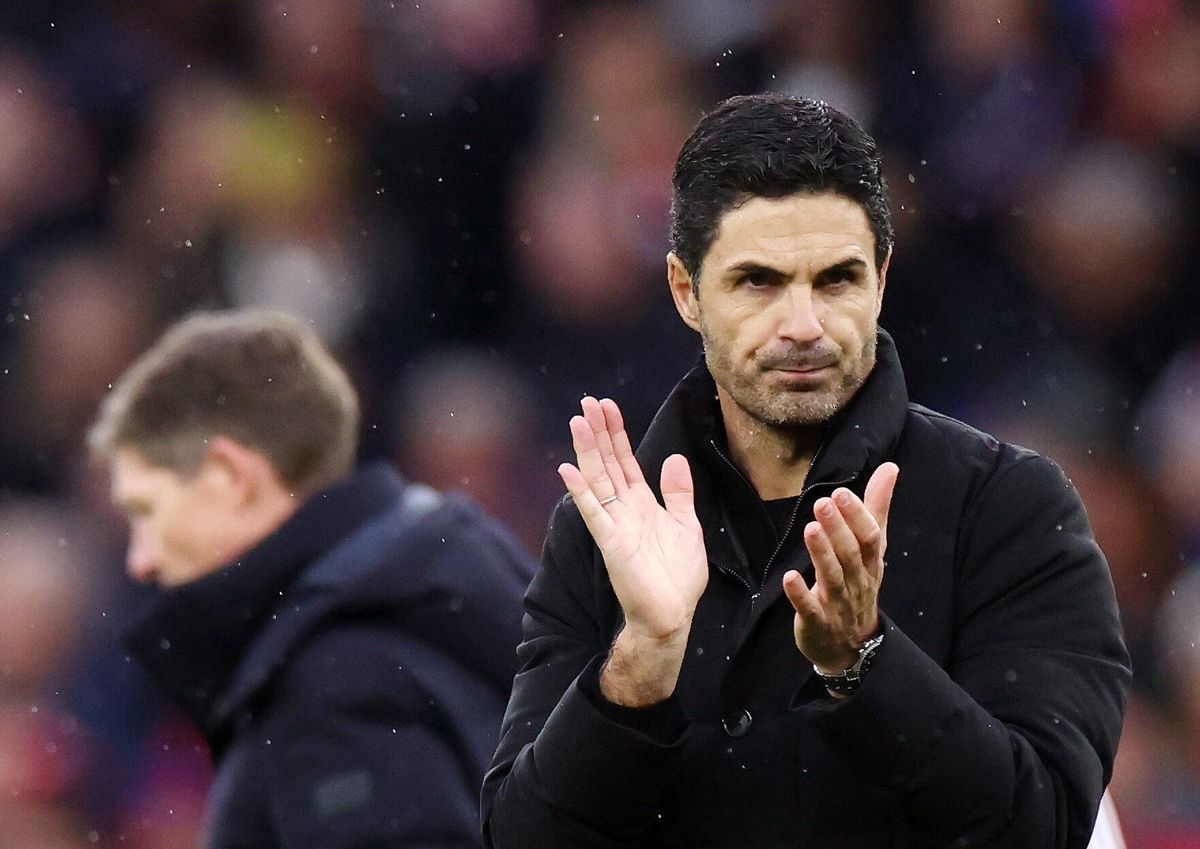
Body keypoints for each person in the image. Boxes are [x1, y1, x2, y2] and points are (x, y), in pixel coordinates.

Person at [481, 94, 1131, 848]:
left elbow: (1046, 828)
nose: (803, 325)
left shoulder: (1010, 507)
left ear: (881, 280)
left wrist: (865, 662)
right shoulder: (609, 529)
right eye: (758, 281)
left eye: (836, 280)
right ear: (687, 292)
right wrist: (641, 664)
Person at [88, 309, 533, 849]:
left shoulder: (336, 683)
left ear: (231, 476)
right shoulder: (418, 593)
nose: (140, 560)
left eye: (146, 510)